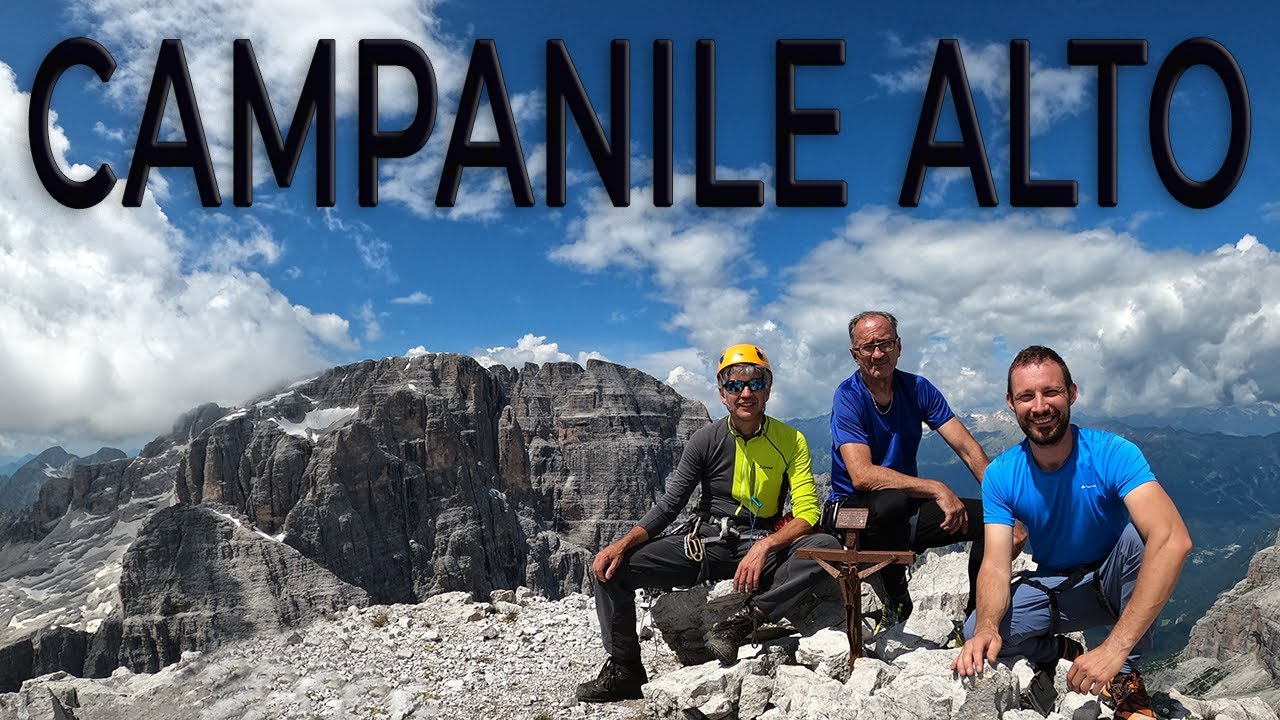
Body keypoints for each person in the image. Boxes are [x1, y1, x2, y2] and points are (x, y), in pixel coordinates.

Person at [576, 343, 842, 703]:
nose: (745, 393)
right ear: (722, 393)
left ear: (768, 388)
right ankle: (625, 669)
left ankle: (741, 624)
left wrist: (764, 546)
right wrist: (621, 546)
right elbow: (670, 506)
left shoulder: (790, 440)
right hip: (706, 543)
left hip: (760, 544)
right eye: (734, 385)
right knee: (612, 570)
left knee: (825, 547)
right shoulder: (706, 439)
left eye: (755, 383)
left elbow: (809, 513)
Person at [952, 346, 1192, 720]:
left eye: (1051, 392)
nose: (1040, 406)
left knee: (1147, 536)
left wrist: (1114, 649)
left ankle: (1126, 675)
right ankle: (1063, 652)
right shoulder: (1001, 474)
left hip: (1119, 575)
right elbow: (997, 565)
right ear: (1011, 403)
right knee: (977, 632)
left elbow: (1174, 538)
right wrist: (986, 627)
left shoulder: (1113, 452)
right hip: (1060, 587)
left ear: (1072, 393)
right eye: (1026, 396)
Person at [829, 310, 1012, 624]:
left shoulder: (918, 389)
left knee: (992, 523)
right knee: (892, 501)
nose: (877, 354)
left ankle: (974, 620)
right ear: (854, 355)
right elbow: (861, 475)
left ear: (899, 346)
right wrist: (936, 487)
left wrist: (1006, 509)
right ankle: (897, 598)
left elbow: (968, 449)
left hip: (903, 509)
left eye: (885, 344)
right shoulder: (848, 397)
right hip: (853, 513)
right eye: (867, 348)